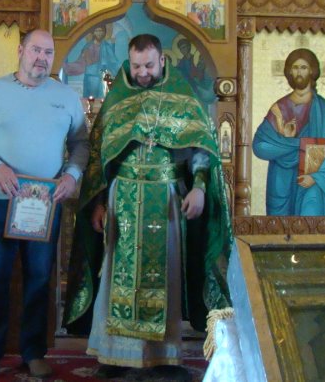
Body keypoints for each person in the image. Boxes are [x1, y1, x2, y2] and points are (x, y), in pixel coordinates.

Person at [63, 34, 232, 381]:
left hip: (165, 198)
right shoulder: (119, 97)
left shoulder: (182, 95)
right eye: (137, 65)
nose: (142, 73)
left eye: (149, 66)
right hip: (121, 198)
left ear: (162, 61)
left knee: (164, 276)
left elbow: (201, 147)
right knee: (116, 277)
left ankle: (163, 359)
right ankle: (114, 356)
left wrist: (199, 188)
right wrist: (98, 203)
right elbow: (101, 157)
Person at [0, 29, 89, 380]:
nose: (42, 58)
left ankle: (34, 353)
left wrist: (72, 175)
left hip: (44, 204)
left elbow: (81, 144)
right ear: (21, 51)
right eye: (36, 50)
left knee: (40, 279)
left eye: (48, 52)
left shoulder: (65, 96)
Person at [252, 48, 325, 216]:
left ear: (312, 71)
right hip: (281, 182)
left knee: (309, 220)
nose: (299, 72)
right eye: (295, 67)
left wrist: (317, 177)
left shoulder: (323, 109)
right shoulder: (279, 109)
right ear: (289, 71)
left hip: (311, 182)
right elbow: (259, 146)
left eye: (304, 67)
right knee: (279, 228)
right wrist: (294, 143)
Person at [63, 24, 118, 98]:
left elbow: (113, 62)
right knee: (92, 100)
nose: (99, 33)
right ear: (93, 32)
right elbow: (82, 63)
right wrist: (67, 67)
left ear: (104, 32)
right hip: (91, 78)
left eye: (101, 31)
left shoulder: (107, 46)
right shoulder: (88, 46)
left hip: (104, 79)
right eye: (96, 31)